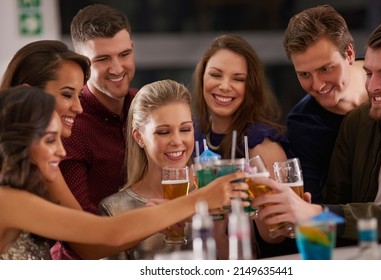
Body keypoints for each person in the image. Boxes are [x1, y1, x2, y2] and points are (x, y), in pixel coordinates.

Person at [0, 86, 248, 260]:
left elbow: (94, 247)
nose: (62, 151)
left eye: (185, 129)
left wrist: (156, 219)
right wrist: (201, 199)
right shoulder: (9, 201)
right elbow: (108, 232)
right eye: (50, 140)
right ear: (19, 141)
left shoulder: (18, 198)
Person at [253, 16, 381, 244]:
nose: (372, 86)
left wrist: (316, 214)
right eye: (369, 73)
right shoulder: (356, 123)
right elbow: (334, 202)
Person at [192, 34, 290, 258]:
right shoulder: (188, 134)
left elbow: (276, 235)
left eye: (238, 79)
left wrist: (253, 201)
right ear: (202, 78)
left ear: (250, 86)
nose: (224, 86)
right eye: (216, 75)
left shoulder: (262, 144)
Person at [53, 4, 138, 259]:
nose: (117, 68)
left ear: (133, 48)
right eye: (103, 59)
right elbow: (80, 229)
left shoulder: (144, 106)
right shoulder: (70, 124)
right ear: (83, 64)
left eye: (124, 54)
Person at [99, 80, 196, 259]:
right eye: (163, 132)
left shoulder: (210, 194)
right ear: (139, 137)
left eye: (185, 129)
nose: (177, 140)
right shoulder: (115, 209)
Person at [283, 5, 368, 204]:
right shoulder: (304, 126)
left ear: (349, 54)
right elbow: (314, 209)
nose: (318, 85)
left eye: (326, 69)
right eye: (304, 74)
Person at [0, 40, 90, 210]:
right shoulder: (36, 155)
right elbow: (90, 233)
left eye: (80, 95)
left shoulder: (35, 157)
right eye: (67, 94)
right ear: (27, 93)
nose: (79, 108)